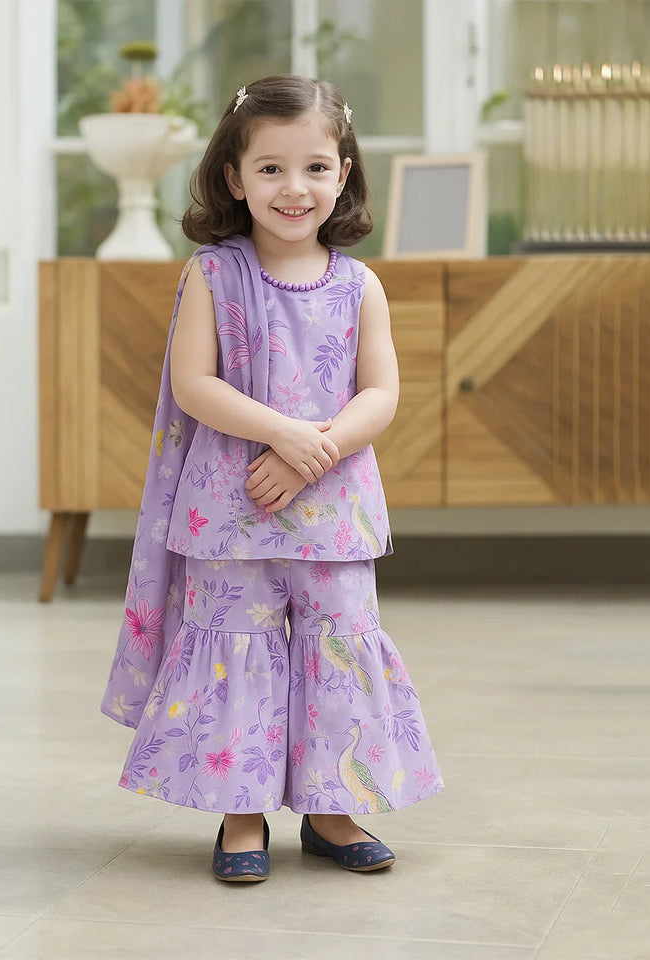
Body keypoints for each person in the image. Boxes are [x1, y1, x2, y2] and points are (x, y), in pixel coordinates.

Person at [100, 74, 444, 883]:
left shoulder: (361, 286)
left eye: (317, 168)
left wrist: (313, 453)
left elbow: (381, 392)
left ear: (345, 173)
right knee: (238, 650)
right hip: (232, 507)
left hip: (331, 505)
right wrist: (285, 435)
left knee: (337, 644)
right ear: (234, 177)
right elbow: (196, 385)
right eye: (271, 169)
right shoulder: (212, 278)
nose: (295, 188)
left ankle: (331, 809)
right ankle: (242, 812)